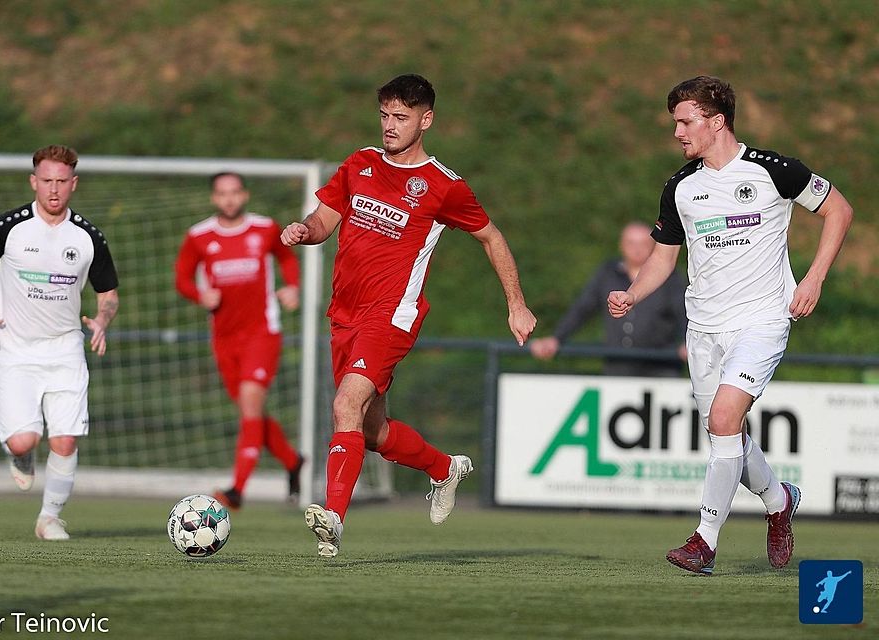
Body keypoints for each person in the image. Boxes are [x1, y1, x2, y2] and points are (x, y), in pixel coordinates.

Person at [281, 74, 537, 558]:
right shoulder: (360, 164)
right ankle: (444, 468)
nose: (390, 126)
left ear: (427, 119)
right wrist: (304, 229)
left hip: (393, 313)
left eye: (401, 117)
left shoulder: (444, 186)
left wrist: (516, 303)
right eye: (384, 115)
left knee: (344, 405)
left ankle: (333, 519)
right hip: (345, 314)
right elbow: (324, 221)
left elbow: (491, 237)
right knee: (372, 431)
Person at [608, 76, 853, 574]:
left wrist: (814, 279)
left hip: (761, 320)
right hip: (703, 328)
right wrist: (632, 293)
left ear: (716, 121)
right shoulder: (681, 186)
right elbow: (663, 258)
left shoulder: (772, 170)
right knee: (729, 437)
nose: (677, 132)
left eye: (685, 121)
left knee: (724, 421)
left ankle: (705, 540)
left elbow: (839, 211)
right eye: (675, 122)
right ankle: (779, 500)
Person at [0, 144, 119, 540]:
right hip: (13, 347)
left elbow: (109, 294)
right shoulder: (9, 227)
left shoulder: (88, 236)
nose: (53, 189)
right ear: (34, 181)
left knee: (64, 439)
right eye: (46, 180)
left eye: (61, 181)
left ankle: (49, 518)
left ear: (73, 184)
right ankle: (22, 453)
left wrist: (101, 319)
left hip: (65, 348)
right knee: (23, 439)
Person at [175, 172, 304, 510]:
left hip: (262, 332)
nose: (229, 199)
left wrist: (292, 286)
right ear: (214, 198)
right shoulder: (199, 236)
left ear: (244, 195)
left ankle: (237, 490)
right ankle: (292, 461)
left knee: (250, 402)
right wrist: (200, 295)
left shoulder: (264, 228)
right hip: (223, 338)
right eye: (222, 193)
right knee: (252, 412)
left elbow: (287, 258)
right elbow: (182, 279)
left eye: (235, 192)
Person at [529, 222, 687, 377]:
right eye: (631, 243)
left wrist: (687, 342)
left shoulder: (670, 279)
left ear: (654, 247)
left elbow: (684, 311)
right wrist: (557, 338)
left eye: (643, 243)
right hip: (618, 366)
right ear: (621, 245)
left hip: (660, 367)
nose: (637, 249)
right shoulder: (608, 273)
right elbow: (583, 308)